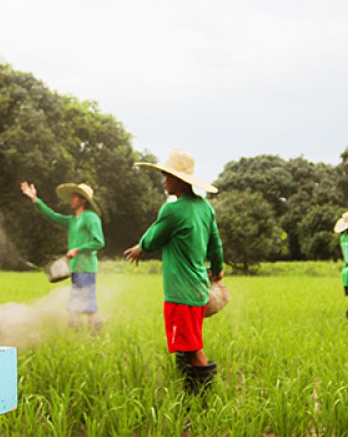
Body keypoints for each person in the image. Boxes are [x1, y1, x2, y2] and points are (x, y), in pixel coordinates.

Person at [123, 149, 223, 392]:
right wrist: (217, 270)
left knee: (193, 348)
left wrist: (140, 247)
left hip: (181, 292)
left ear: (179, 180)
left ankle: (202, 400)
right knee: (187, 345)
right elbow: (216, 245)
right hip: (198, 288)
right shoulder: (205, 208)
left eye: (167, 176)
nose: (164, 181)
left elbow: (153, 238)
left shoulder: (172, 210)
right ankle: (187, 395)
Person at [20, 181, 105, 330]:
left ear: (83, 200)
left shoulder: (91, 217)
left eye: (75, 196)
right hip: (75, 267)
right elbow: (52, 216)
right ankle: (84, 334)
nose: (72, 199)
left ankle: (90, 333)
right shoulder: (73, 220)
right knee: (80, 304)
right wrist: (35, 199)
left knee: (84, 306)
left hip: (86, 267)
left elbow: (99, 242)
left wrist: (78, 250)